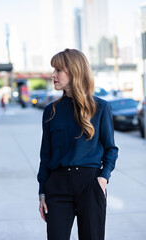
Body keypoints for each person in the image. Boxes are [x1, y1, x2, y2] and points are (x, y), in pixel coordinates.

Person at [37, 49, 119, 240]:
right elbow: (45, 156)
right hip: (57, 187)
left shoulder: (100, 107)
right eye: (53, 70)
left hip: (90, 185)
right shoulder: (51, 111)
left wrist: (103, 178)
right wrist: (42, 192)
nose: (53, 75)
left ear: (74, 71)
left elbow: (111, 149)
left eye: (58, 70)